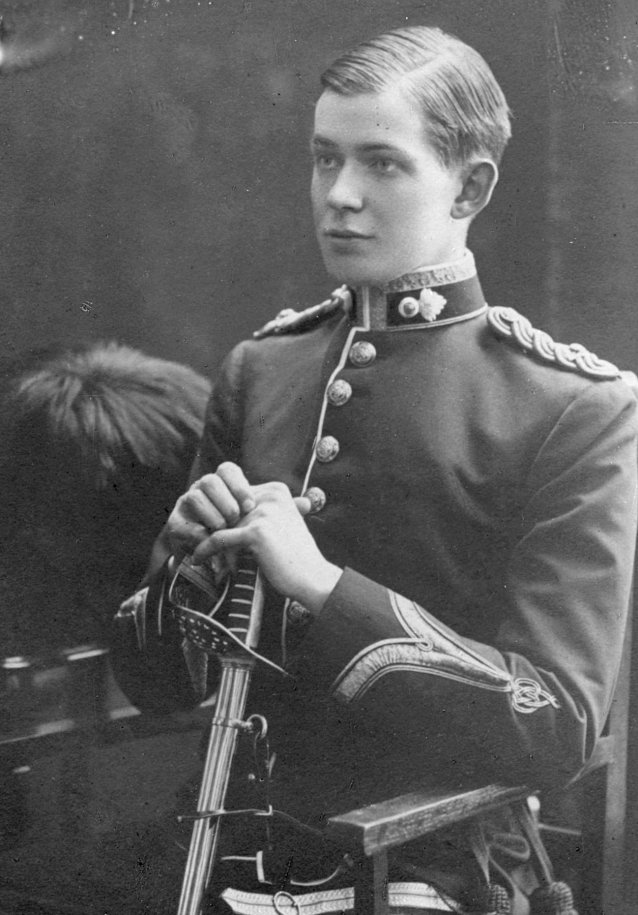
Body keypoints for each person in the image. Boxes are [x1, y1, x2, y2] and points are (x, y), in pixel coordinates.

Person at [120, 25, 638, 914]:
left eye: (382, 165)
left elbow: (553, 723)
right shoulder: (263, 369)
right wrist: (182, 570)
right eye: (325, 160)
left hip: (431, 871)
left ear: (471, 185)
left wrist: (323, 588)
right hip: (225, 854)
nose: (340, 197)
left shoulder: (576, 409)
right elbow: (160, 685)